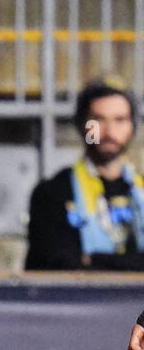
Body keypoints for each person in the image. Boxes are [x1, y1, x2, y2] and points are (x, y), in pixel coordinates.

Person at [26, 79, 144, 271]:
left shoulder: (140, 190)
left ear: (132, 127)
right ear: (82, 126)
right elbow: (57, 263)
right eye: (98, 120)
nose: (109, 131)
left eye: (120, 120)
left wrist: (91, 260)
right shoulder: (54, 192)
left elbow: (77, 261)